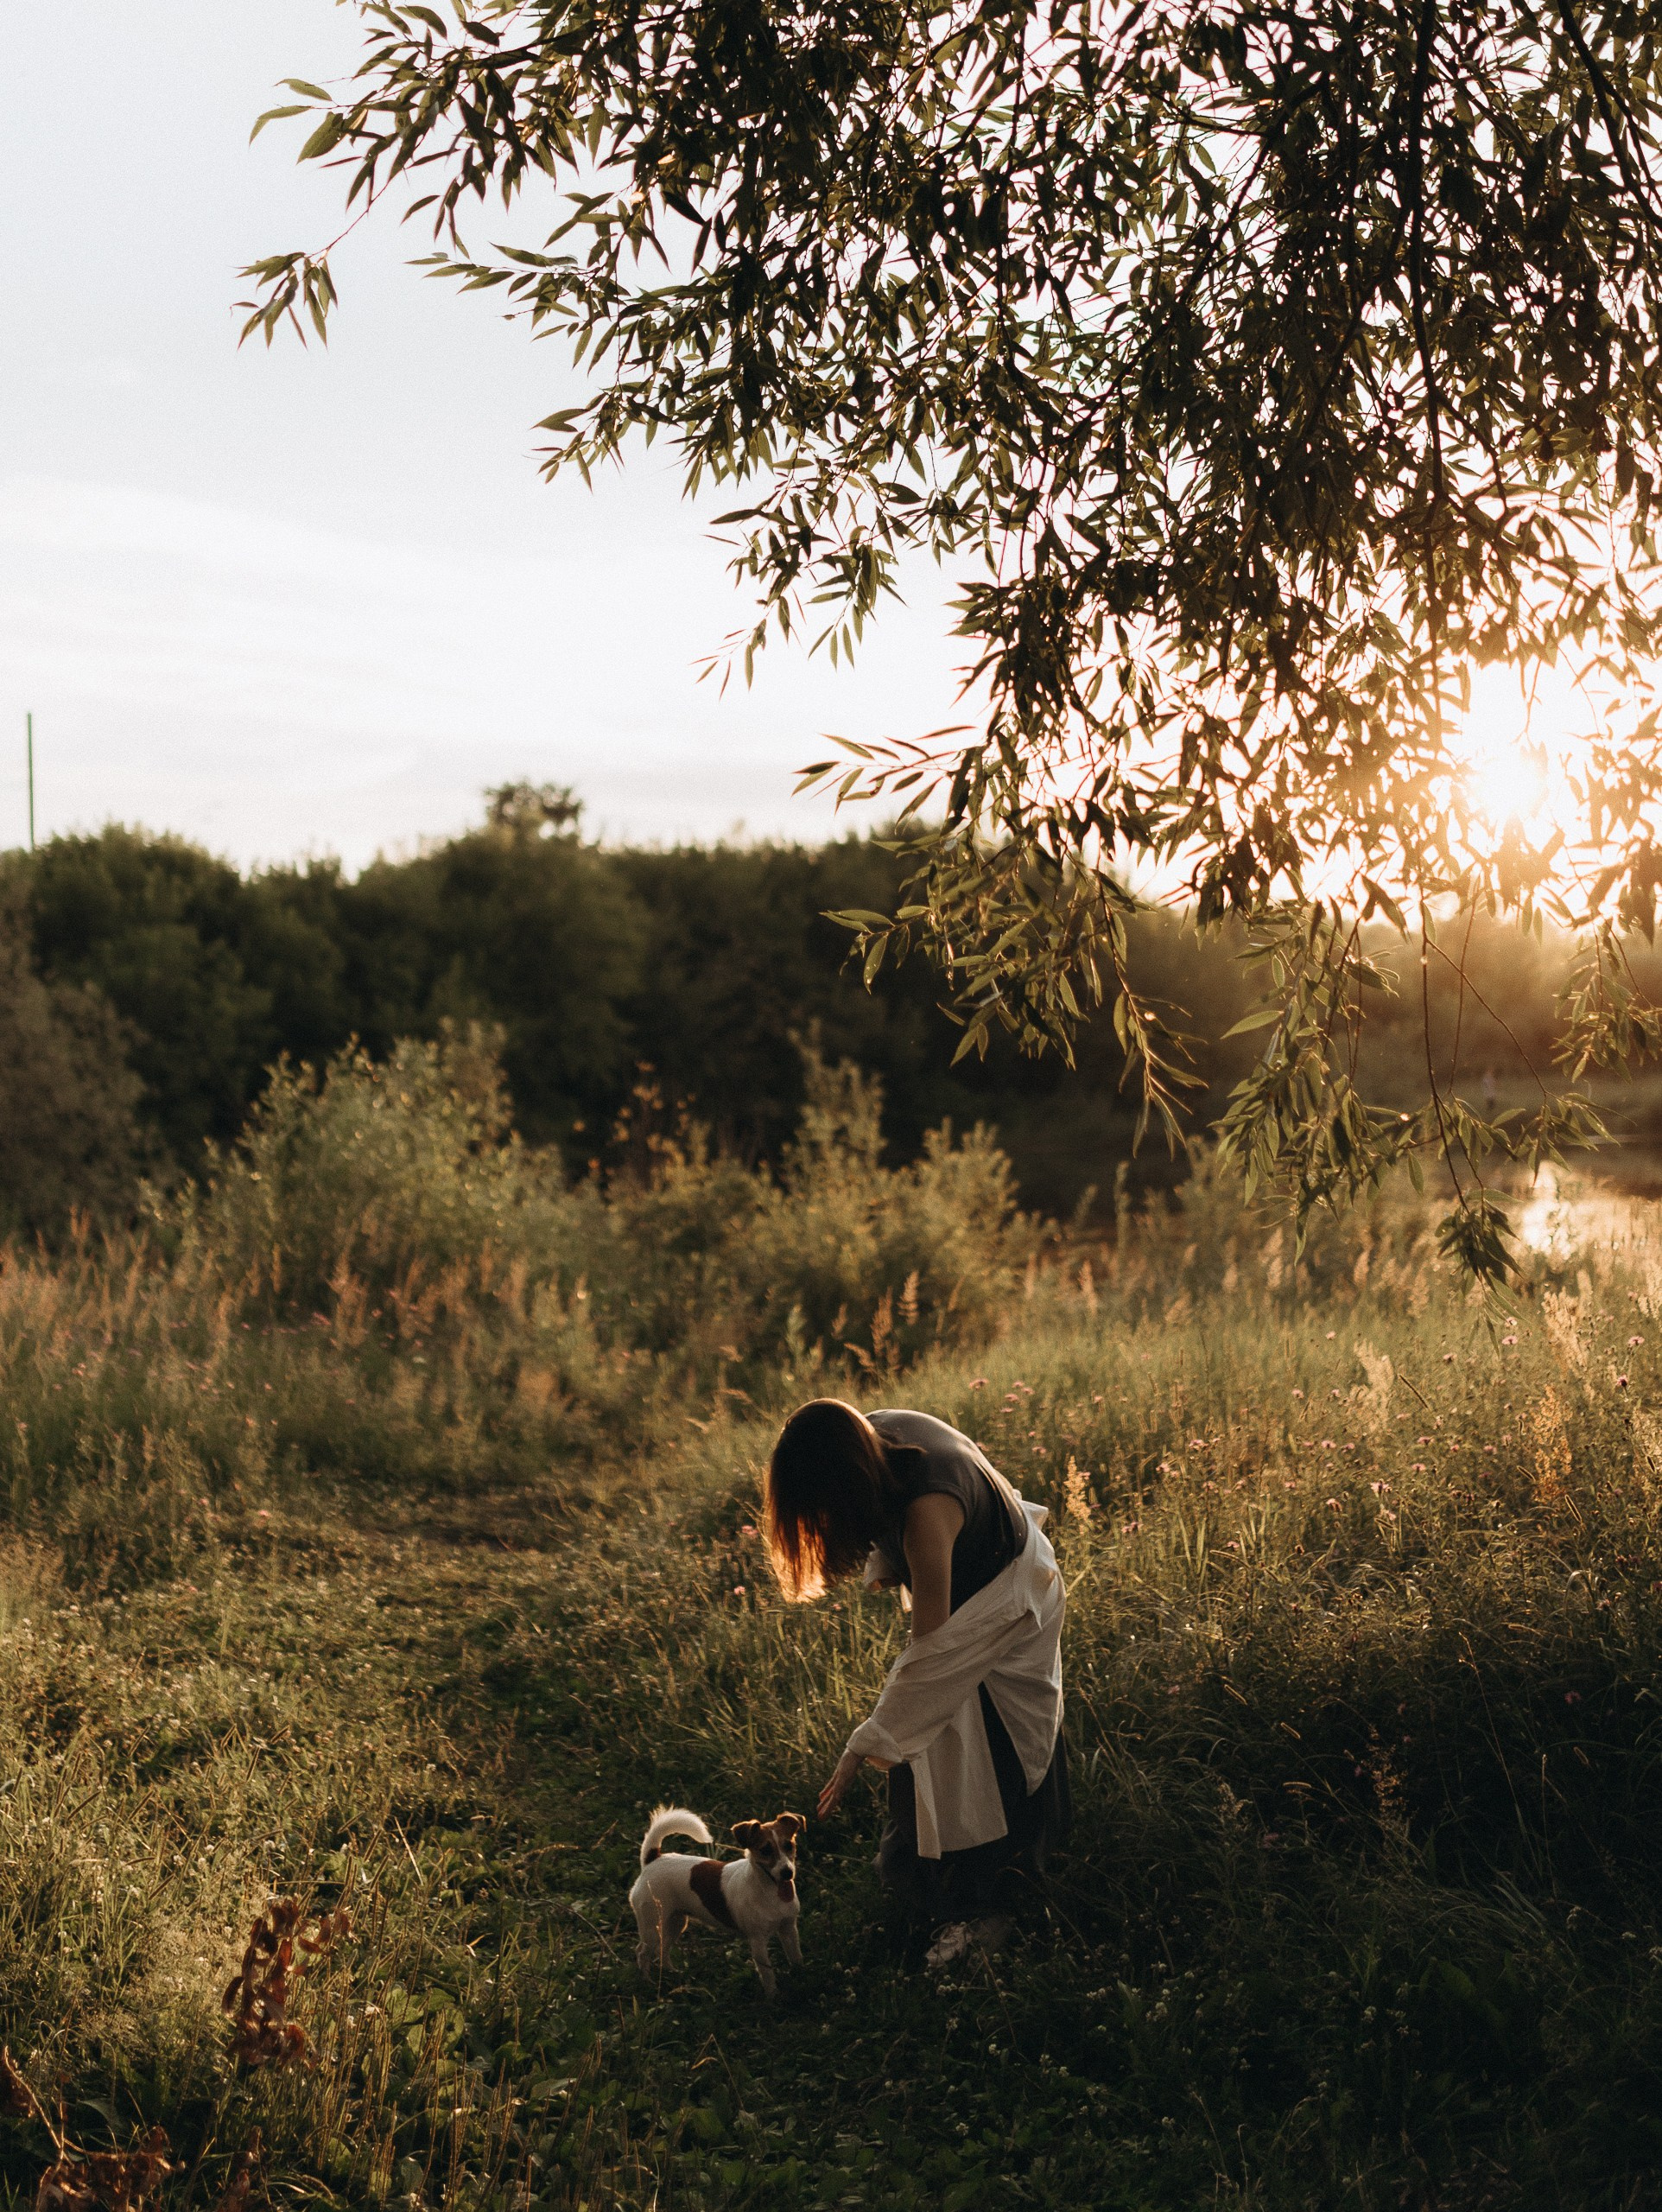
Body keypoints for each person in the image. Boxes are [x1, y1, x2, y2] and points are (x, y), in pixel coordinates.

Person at [764, 1398, 1070, 1961]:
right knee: (936, 1735)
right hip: (976, 1583)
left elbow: (930, 1660)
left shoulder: (929, 1512)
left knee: (968, 1739)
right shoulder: (870, 1439)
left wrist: (865, 1743)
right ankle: (949, 1884)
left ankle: (990, 1906)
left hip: (1010, 1596)